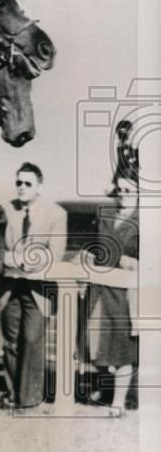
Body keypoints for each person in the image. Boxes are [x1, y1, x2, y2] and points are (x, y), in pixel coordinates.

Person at [0, 162, 68, 410]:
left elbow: (55, 254)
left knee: (32, 340)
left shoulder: (56, 214)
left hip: (38, 289)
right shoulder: (5, 210)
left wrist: (25, 261)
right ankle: (12, 395)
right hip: (9, 287)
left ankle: (29, 400)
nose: (22, 187)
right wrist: (5, 258)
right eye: (18, 182)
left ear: (39, 186)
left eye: (27, 183)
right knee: (9, 342)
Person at [86, 175, 139, 413]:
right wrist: (86, 256)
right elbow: (91, 246)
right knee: (96, 344)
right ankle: (106, 390)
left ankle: (117, 403)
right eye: (120, 189)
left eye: (129, 190)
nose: (123, 194)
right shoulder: (104, 215)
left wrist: (137, 262)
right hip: (98, 289)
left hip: (127, 295)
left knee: (123, 348)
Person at [113, 119, 139, 187]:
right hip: (128, 176)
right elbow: (125, 163)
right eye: (131, 129)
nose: (132, 131)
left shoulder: (124, 146)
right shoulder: (123, 146)